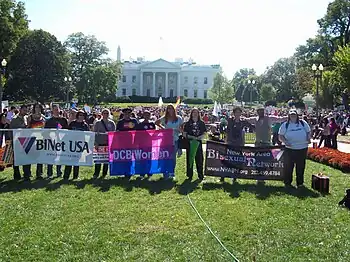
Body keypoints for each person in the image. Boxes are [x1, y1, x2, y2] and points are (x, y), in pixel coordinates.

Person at [278, 109, 311, 188]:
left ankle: (300, 183)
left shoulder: (303, 123)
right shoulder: (285, 125)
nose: (293, 116)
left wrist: (308, 138)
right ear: (289, 116)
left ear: (297, 115)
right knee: (288, 166)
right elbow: (280, 136)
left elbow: (308, 131)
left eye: (294, 115)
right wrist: (286, 142)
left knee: (300, 166)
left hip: (302, 148)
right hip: (290, 149)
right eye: (291, 115)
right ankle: (287, 183)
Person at [155, 104, 183, 180]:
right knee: (165, 157)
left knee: (173, 157)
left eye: (171, 108)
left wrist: (179, 130)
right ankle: (165, 173)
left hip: (175, 139)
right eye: (168, 109)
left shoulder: (179, 118)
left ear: (174, 110)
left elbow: (182, 128)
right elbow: (156, 122)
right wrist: (163, 128)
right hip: (165, 140)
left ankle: (172, 172)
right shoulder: (165, 118)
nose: (170, 110)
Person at [63, 110, 89, 180]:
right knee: (69, 160)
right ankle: (66, 176)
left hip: (79, 145)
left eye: (83, 115)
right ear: (77, 116)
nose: (81, 116)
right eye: (80, 115)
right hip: (71, 144)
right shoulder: (72, 123)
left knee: (76, 161)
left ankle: (75, 176)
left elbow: (87, 135)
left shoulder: (85, 125)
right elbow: (67, 132)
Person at [45, 104, 69, 178]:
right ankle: (49, 173)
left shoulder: (63, 120)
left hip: (61, 142)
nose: (56, 111)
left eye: (57, 109)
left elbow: (67, 131)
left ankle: (59, 172)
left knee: (59, 157)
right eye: (55, 109)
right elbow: (45, 132)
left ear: (59, 110)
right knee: (50, 157)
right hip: (51, 142)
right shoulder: (49, 121)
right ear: (52, 111)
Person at [183, 108, 206, 180]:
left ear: (198, 114)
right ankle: (189, 175)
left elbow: (205, 132)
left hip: (198, 143)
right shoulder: (188, 123)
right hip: (190, 143)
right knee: (190, 159)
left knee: (199, 159)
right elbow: (184, 134)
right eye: (194, 112)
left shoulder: (201, 123)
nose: (195, 114)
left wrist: (200, 137)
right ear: (191, 114)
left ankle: (200, 175)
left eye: (196, 112)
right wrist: (191, 137)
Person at [10, 105, 32, 181]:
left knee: (27, 157)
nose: (25, 112)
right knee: (16, 159)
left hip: (26, 140)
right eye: (24, 110)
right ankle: (16, 174)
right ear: (20, 110)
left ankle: (27, 174)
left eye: (26, 110)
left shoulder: (26, 118)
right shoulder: (14, 119)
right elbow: (12, 131)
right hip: (17, 141)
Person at [93, 108, 116, 179]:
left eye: (107, 113)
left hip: (108, 143)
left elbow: (114, 134)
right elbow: (95, 133)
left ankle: (104, 173)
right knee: (98, 160)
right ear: (102, 114)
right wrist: (95, 143)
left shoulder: (112, 123)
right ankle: (96, 173)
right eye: (104, 113)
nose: (105, 115)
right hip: (99, 143)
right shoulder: (98, 123)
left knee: (106, 160)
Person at [27, 103, 46, 179]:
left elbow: (45, 128)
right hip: (31, 139)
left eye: (39, 107)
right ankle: (27, 174)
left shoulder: (43, 117)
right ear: (34, 108)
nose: (37, 109)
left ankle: (39, 173)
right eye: (36, 107)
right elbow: (27, 127)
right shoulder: (30, 117)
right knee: (29, 157)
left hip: (40, 139)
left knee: (40, 157)